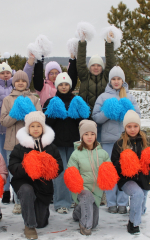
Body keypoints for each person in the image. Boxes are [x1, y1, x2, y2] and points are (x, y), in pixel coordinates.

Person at [0, 50, 35, 204]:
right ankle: (4, 191)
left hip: (15, 131)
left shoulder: (15, 89)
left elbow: (26, 76)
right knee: (2, 162)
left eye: (8, 73)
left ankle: (19, 192)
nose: (5, 75)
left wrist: (30, 61)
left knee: (15, 161)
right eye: (2, 73)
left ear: (12, 75)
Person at [92, 66, 140, 214]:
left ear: (123, 80)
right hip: (108, 141)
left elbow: (137, 116)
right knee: (110, 172)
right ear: (110, 81)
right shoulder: (103, 97)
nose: (116, 81)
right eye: (114, 79)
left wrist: (128, 112)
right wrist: (108, 112)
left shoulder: (129, 97)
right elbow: (96, 118)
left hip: (126, 141)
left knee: (126, 172)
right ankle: (111, 202)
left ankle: (122, 203)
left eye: (119, 79)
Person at [8, 111, 63, 240]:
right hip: (24, 182)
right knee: (27, 191)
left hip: (43, 185)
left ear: (43, 127)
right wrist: (27, 166)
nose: (36, 129)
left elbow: (59, 166)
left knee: (41, 223)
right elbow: (12, 166)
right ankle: (29, 226)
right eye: (32, 126)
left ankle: (38, 212)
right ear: (28, 128)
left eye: (38, 126)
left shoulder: (51, 147)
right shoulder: (20, 147)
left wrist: (47, 167)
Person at [43, 72, 90, 214]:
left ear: (70, 86)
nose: (64, 87)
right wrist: (54, 112)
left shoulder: (77, 100)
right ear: (57, 86)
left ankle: (74, 199)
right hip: (56, 143)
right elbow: (45, 124)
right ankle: (61, 202)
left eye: (66, 84)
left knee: (74, 172)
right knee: (60, 173)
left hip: (75, 143)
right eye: (61, 84)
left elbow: (86, 121)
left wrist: (78, 112)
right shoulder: (50, 101)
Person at [111, 110, 150, 234]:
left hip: (143, 178)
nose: (132, 129)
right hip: (127, 179)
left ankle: (137, 210)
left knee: (141, 205)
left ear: (139, 126)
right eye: (129, 126)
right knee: (138, 194)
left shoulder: (148, 142)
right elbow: (114, 164)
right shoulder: (119, 143)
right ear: (125, 127)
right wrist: (125, 164)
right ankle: (133, 224)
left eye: (135, 126)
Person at [64, 120, 118, 235]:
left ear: (96, 135)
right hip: (82, 189)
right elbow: (71, 172)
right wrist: (77, 186)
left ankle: (77, 212)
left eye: (92, 134)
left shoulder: (103, 153)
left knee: (94, 223)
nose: (89, 137)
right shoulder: (76, 154)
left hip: (97, 190)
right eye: (86, 134)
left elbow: (109, 171)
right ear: (82, 136)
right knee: (87, 203)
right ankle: (84, 226)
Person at [0, 70, 41, 214]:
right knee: (15, 173)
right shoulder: (7, 100)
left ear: (27, 83)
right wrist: (15, 113)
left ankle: (30, 199)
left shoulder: (34, 98)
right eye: (17, 81)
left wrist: (29, 114)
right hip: (13, 142)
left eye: (23, 81)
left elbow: (39, 119)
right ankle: (17, 201)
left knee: (31, 171)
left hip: (30, 142)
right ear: (13, 83)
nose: (20, 83)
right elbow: (4, 121)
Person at [77, 31, 115, 113]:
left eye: (99, 65)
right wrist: (82, 42)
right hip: (87, 116)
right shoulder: (84, 77)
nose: (96, 68)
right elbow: (80, 62)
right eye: (93, 65)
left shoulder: (106, 77)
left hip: (103, 115)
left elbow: (110, 63)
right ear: (89, 67)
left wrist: (109, 43)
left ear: (102, 67)